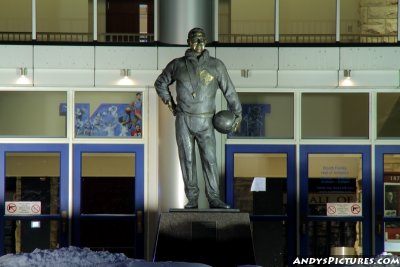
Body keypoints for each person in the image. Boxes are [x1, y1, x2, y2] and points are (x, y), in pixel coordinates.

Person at [154, 27, 242, 209]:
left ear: (206, 41)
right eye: (195, 39)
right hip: (184, 120)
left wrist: (238, 113)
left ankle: (214, 198)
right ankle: (192, 198)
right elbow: (160, 83)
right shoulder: (177, 64)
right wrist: (170, 103)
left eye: (202, 39)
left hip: (207, 121)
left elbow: (230, 91)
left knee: (210, 160)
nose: (199, 43)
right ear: (188, 42)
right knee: (187, 159)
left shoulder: (216, 66)